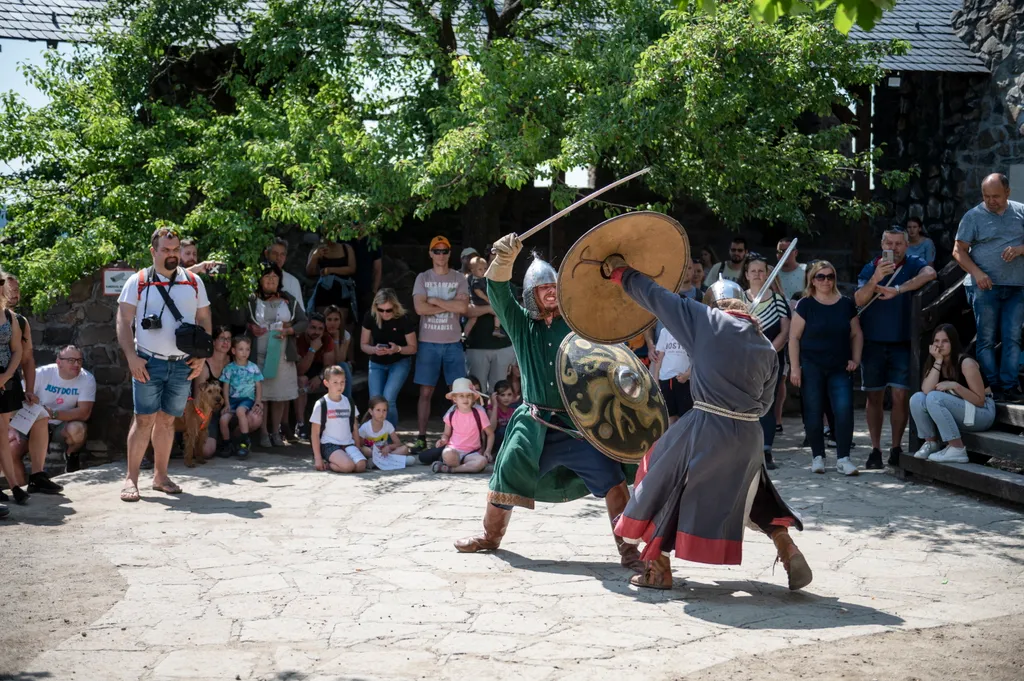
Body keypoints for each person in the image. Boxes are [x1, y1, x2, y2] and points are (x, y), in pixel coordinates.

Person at [603, 259, 812, 592]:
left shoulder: (706, 320)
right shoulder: (765, 347)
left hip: (707, 426)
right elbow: (766, 404)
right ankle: (788, 549)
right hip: (748, 436)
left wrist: (622, 273)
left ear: (714, 305)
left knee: (658, 476)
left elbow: (657, 297)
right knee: (752, 495)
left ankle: (657, 571)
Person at [454, 235, 645, 573]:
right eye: (542, 287)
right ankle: (489, 536)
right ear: (531, 293)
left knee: (612, 479)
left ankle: (628, 550)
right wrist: (503, 261)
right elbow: (498, 294)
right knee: (505, 473)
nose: (550, 290)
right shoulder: (522, 326)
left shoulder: (578, 325)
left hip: (578, 423)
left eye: (553, 285)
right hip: (534, 422)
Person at [116, 228, 211, 502]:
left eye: (175, 249)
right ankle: (131, 480)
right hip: (147, 361)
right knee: (143, 419)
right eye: (166, 250)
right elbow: (123, 320)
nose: (172, 255)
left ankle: (160, 477)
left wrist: (202, 355)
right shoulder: (138, 281)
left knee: (168, 421)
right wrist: (131, 357)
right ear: (153, 251)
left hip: (182, 364)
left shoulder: (193, 282)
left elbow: (204, 318)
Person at [855, 228, 937, 468]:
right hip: (873, 342)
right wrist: (875, 279)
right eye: (888, 243)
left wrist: (899, 289)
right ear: (882, 244)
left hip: (902, 342)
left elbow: (930, 273)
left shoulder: (913, 264)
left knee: (901, 397)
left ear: (906, 245)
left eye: (898, 243)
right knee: (874, 397)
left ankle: (895, 447)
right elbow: (859, 300)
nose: (893, 248)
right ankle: (875, 449)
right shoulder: (871, 267)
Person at [952, 173, 1024, 402]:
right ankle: (993, 386)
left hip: (1017, 286)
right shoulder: (973, 216)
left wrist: (1020, 249)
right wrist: (977, 273)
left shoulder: (1021, 211)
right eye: (986, 196)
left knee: (1013, 337)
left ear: (1008, 193)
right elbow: (958, 250)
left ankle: (1010, 387)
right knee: (986, 339)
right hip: (984, 287)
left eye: (996, 196)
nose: (991, 200)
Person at [790, 260, 863, 476]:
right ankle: (817, 456)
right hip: (811, 366)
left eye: (830, 276)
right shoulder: (805, 304)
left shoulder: (846, 304)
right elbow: (794, 337)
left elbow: (856, 333)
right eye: (820, 276)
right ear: (812, 280)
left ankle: (843, 458)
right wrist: (795, 368)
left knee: (844, 410)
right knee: (813, 411)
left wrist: (855, 359)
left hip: (839, 366)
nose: (825, 281)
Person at [8, 345, 94, 493]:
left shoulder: (87, 378)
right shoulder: (42, 373)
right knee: (13, 450)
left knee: (78, 429)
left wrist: (52, 414)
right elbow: (17, 398)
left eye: (79, 360)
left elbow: (84, 413)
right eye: (71, 360)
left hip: (60, 424)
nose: (76, 365)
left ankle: (71, 456)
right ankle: (21, 487)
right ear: (59, 362)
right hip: (33, 422)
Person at [412, 235, 470, 450]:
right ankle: (421, 436)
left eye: (444, 251)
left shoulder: (459, 278)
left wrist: (435, 301)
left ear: (449, 253)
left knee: (457, 393)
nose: (440, 255)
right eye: (436, 251)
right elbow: (420, 309)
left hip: (453, 342)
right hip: (428, 342)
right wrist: (449, 305)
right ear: (430, 254)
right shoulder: (423, 277)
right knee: (425, 392)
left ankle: (456, 437)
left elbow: (463, 308)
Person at [910, 324, 996, 464]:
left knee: (934, 397)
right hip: (961, 411)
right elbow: (925, 391)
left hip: (983, 413)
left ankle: (957, 448)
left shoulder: (966, 363)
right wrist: (938, 360)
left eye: (945, 341)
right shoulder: (935, 362)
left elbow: (980, 400)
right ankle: (931, 443)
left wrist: (955, 386)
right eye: (936, 341)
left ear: (953, 343)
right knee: (917, 398)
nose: (940, 345)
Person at [246, 261, 307, 447]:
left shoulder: (288, 298)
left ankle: (275, 432)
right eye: (267, 276)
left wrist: (289, 331)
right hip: (260, 353)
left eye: (274, 276)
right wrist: (251, 328)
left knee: (279, 395)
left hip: (281, 354)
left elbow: (303, 322)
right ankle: (263, 433)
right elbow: (242, 322)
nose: (271, 280)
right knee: (262, 394)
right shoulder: (251, 299)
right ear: (260, 279)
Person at [745, 254, 790, 470]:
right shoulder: (739, 300)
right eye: (753, 271)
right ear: (746, 275)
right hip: (743, 362)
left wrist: (769, 352)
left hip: (771, 360)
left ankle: (766, 451)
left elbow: (785, 331)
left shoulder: (778, 300)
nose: (757, 275)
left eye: (761, 270)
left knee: (767, 405)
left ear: (767, 274)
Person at [195, 326, 261, 458]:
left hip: (233, 405)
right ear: (213, 341)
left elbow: (255, 383)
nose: (226, 342)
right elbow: (198, 397)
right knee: (206, 451)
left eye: (229, 339)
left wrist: (258, 402)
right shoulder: (204, 365)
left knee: (255, 418)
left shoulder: (236, 362)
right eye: (222, 338)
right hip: (210, 412)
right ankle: (218, 441)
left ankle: (238, 442)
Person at [361, 289, 416, 427]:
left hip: (399, 361)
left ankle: (390, 439)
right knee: (375, 401)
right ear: (376, 307)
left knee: (388, 399)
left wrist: (397, 349)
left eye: (389, 310)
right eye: (381, 310)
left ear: (395, 307)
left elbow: (413, 348)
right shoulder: (370, 316)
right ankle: (375, 436)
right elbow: (363, 344)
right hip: (376, 362)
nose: (385, 314)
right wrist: (374, 349)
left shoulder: (404, 318)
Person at [429, 377, 492, 474]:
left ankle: (452, 469)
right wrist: (443, 440)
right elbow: (446, 434)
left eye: (468, 396)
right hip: (454, 450)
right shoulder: (451, 415)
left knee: (482, 461)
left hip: (473, 452)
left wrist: (487, 451)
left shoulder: (479, 413)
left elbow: (490, 434)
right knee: (447, 453)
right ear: (455, 399)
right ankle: (463, 467)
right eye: (461, 396)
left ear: (473, 397)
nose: (465, 399)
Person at [0, 288, 27, 506]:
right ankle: (14, 486)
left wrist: (6, 375)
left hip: (5, 379)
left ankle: (13, 486)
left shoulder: (9, 316)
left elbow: (18, 349)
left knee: (2, 434)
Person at [310, 365, 363, 473]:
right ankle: (329, 464)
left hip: (348, 443)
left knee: (361, 466)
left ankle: (343, 460)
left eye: (342, 382)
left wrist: (358, 447)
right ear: (326, 383)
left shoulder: (348, 402)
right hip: (329, 444)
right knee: (348, 466)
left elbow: (354, 427)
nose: (340, 386)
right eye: (335, 382)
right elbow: (314, 433)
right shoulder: (321, 404)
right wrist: (318, 458)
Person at [218, 337, 264, 457]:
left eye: (247, 349)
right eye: (241, 349)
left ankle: (244, 440)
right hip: (232, 400)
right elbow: (226, 387)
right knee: (223, 420)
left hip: (246, 399)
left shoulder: (253, 367)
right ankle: (227, 444)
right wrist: (227, 404)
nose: (245, 353)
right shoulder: (229, 368)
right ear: (233, 351)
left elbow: (258, 385)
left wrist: (258, 400)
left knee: (240, 411)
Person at [294, 313, 336, 439]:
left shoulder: (327, 339)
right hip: (303, 368)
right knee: (302, 380)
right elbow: (300, 370)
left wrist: (320, 377)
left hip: (319, 370)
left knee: (336, 378)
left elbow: (329, 366)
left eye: (320, 329)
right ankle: (300, 424)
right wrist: (312, 349)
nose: (316, 332)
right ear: (306, 327)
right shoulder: (299, 339)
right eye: (313, 327)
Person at [306, 238, 357, 325]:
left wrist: (330, 270)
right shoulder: (317, 249)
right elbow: (310, 272)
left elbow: (352, 269)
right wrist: (315, 257)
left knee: (341, 326)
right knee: (322, 324)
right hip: (324, 293)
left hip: (342, 293)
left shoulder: (346, 248)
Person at [651, 323, 692, 425]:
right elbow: (659, 359)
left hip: (685, 380)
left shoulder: (691, 332)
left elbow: (696, 358)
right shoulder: (665, 332)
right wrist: (656, 380)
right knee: (670, 416)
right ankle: (671, 439)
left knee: (685, 416)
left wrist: (688, 374)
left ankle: (683, 440)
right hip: (666, 379)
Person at [358, 396, 413, 470]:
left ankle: (376, 463)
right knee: (366, 451)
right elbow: (360, 446)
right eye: (378, 410)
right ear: (371, 411)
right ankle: (395, 462)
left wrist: (389, 447)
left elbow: (398, 443)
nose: (382, 413)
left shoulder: (388, 425)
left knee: (405, 449)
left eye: (384, 410)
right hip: (372, 453)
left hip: (385, 453)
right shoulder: (365, 427)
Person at [462, 256, 504, 340]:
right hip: (480, 303)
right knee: (498, 312)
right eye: (480, 269)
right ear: (472, 270)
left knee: (473, 319)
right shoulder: (477, 280)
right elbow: (478, 291)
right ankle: (496, 329)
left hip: (475, 302)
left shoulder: (472, 278)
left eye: (485, 268)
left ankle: (464, 334)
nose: (484, 271)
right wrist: (488, 299)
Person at [324, 305, 354, 402]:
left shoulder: (345, 335)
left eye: (336, 319)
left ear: (341, 321)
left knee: (343, 366)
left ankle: (347, 403)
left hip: (339, 368)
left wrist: (336, 339)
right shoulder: (320, 332)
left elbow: (340, 360)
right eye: (329, 319)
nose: (332, 323)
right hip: (325, 368)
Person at [265, 237, 305, 309]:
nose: (278, 258)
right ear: (267, 254)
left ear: (285, 257)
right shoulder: (255, 278)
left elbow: (301, 313)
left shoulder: (293, 281)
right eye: (275, 253)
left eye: (282, 254)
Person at [488, 379, 520, 452]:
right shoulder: (491, 408)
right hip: (496, 442)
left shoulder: (514, 409)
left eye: (509, 394)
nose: (506, 398)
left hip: (510, 442)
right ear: (496, 396)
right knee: (502, 430)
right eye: (502, 395)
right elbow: (491, 429)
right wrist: (495, 406)